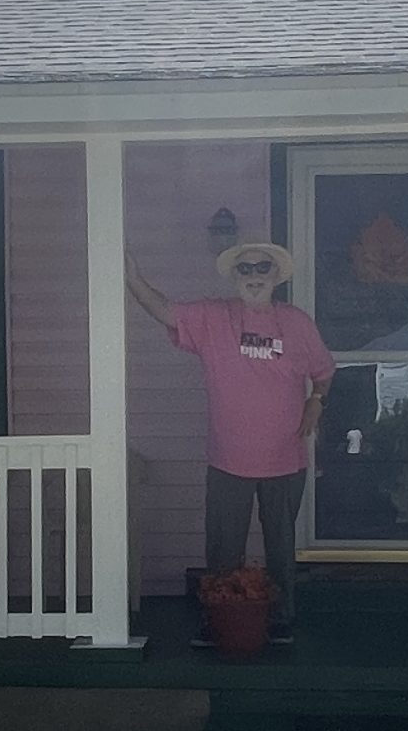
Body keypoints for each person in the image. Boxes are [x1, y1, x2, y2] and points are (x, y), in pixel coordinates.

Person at [127, 242, 334, 641]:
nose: (254, 275)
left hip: (286, 459)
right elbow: (164, 311)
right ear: (233, 276)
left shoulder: (297, 322)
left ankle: (280, 620)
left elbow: (324, 371)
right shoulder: (212, 317)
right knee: (223, 550)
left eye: (262, 267)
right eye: (245, 269)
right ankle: (217, 621)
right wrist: (133, 278)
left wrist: (316, 400)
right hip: (227, 461)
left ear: (276, 276)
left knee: (280, 547)